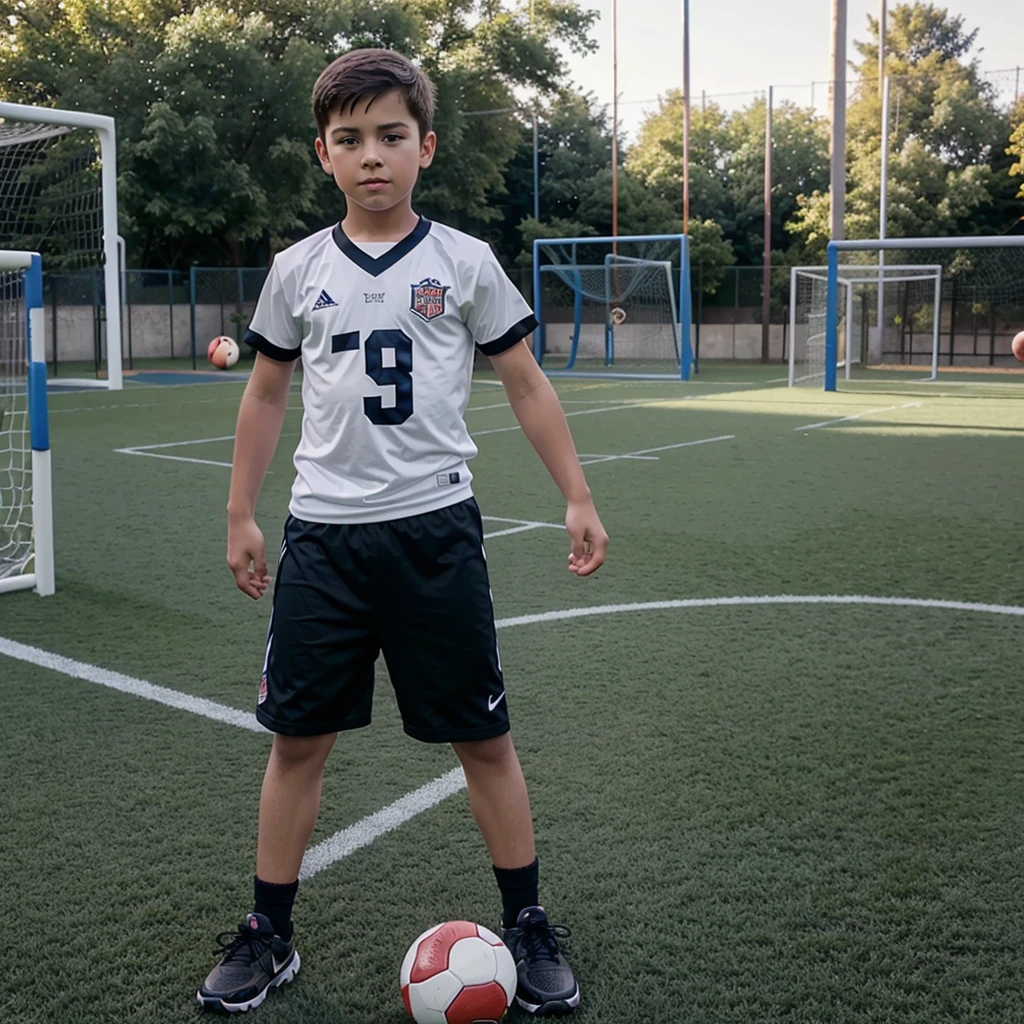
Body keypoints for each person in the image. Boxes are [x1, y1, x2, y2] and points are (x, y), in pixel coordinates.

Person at [196, 46, 609, 1017]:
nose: (371, 155)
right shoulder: (297, 269)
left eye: (390, 136)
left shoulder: (464, 261)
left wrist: (578, 494)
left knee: (484, 738)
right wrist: (239, 513)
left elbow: (524, 383)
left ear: (426, 146)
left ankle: (528, 922)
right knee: (297, 743)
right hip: (326, 542)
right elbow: (263, 393)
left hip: (435, 535)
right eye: (350, 139)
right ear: (323, 154)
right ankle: (269, 933)